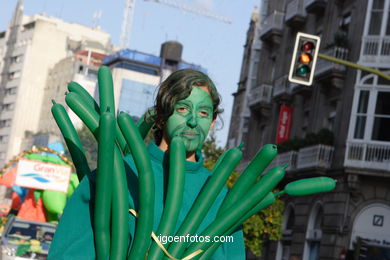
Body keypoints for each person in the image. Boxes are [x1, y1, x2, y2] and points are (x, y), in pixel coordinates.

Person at [48, 69, 245, 259]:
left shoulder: (220, 196)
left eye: (203, 113)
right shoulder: (116, 175)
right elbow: (69, 253)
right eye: (183, 108)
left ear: (212, 121)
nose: (193, 121)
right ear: (161, 116)